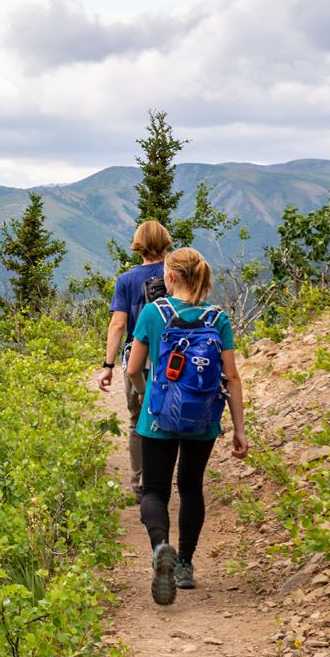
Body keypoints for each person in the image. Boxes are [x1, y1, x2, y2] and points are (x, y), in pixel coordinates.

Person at [126, 247, 248, 605]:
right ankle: (185, 566)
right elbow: (232, 377)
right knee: (192, 488)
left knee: (154, 492)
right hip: (203, 419)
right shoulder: (218, 318)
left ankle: (160, 547)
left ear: (171, 277)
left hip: (158, 416)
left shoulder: (153, 312)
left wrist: (145, 394)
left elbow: (134, 368)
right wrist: (239, 430)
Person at [97, 221, 175, 499]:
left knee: (137, 419)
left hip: (138, 362)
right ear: (165, 241)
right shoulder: (176, 273)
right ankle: (164, 478)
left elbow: (118, 325)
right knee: (171, 416)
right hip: (176, 359)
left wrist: (107, 366)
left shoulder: (127, 281)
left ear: (138, 243)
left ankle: (140, 482)